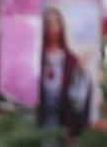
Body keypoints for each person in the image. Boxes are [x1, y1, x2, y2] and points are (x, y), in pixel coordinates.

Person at [38, 7, 94, 135]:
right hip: (40, 122)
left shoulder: (71, 60)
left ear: (61, 26)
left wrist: (80, 73)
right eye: (48, 23)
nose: (52, 28)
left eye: (55, 22)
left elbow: (79, 98)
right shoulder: (36, 58)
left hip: (63, 123)